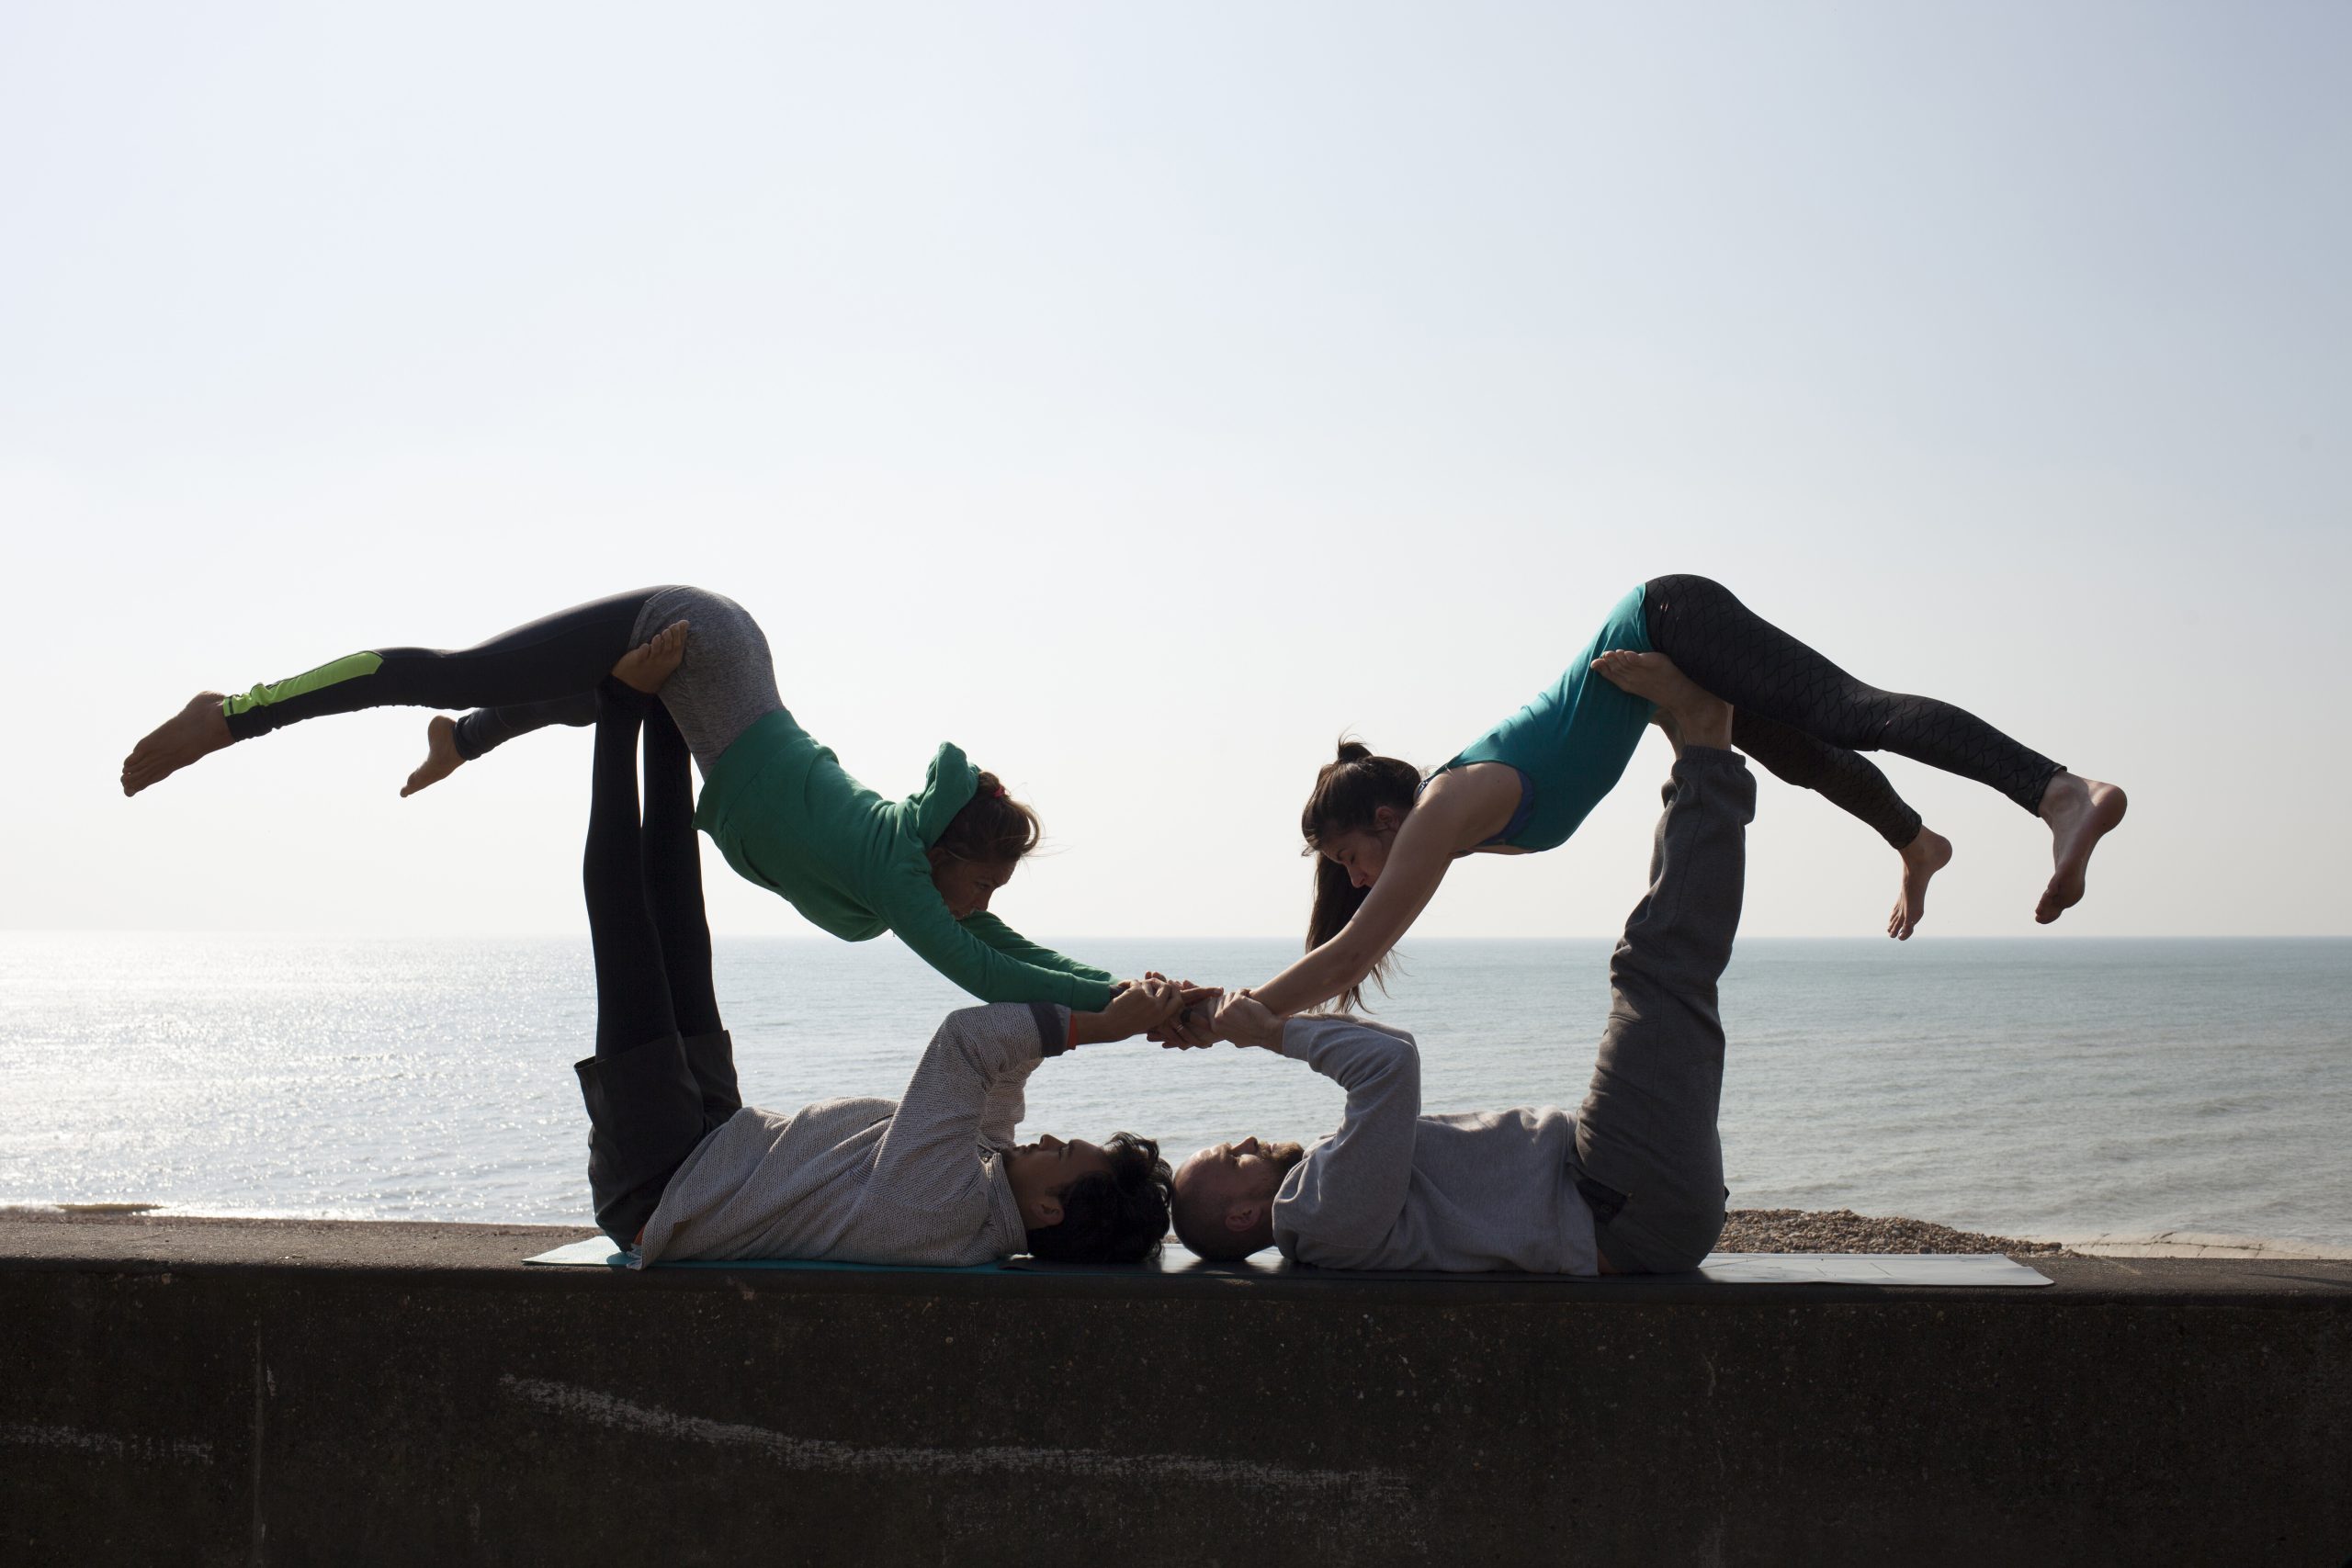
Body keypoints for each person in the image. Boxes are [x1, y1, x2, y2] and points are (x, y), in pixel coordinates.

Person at [119, 586, 1132, 1010]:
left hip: (716, 686)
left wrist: (1131, 984)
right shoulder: (899, 871)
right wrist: (1122, 1002)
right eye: (984, 879)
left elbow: (1008, 948)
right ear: (946, 853)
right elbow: (989, 972)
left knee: (595, 704)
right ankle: (239, 711)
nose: (984, 903)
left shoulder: (913, 863)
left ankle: (463, 740)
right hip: (699, 634)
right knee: (458, 666)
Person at [1223, 574, 2125, 1025]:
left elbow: (1349, 956)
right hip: (1662, 672)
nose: (1352, 875)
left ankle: (2056, 793)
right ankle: (1915, 843)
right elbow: (1592, 723)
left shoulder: (1443, 811)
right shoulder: (1457, 826)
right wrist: (1677, 710)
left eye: (1347, 856)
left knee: (1846, 712)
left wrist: (1238, 1015)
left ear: (1382, 818)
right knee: (1802, 755)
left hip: (1667, 617)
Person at [577, 679, 1177, 1266]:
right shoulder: (988, 1171)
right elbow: (1011, 1057)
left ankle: (620, 703)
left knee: (628, 925)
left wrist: (1104, 1026)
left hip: (665, 1186)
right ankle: (662, 709)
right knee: (681, 922)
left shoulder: (944, 1207)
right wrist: (1131, 996)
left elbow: (971, 1043)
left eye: (1064, 1151)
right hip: (722, 1151)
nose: (1048, 1139)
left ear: (1049, 1209)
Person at [1169, 675, 1753, 1273]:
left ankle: (1697, 753)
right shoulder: (1319, 1214)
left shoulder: (1321, 1202)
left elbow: (1386, 1055)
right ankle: (1707, 745)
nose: (1243, 1141)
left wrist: (1238, 1014)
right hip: (1620, 1200)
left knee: (1659, 966)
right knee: (1657, 967)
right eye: (1230, 1159)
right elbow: (1390, 1066)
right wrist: (1266, 1031)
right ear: (1241, 1217)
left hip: (1616, 1184)